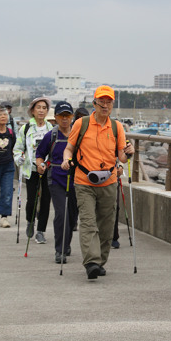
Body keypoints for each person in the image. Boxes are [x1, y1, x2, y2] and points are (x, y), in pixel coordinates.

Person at [61, 85, 133, 280]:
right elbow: (69, 148)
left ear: (113, 105)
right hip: (84, 181)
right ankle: (91, 262)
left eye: (108, 101)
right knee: (88, 222)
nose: (105, 105)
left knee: (107, 225)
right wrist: (66, 160)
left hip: (109, 180)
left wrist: (128, 154)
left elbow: (122, 158)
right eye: (101, 101)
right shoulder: (81, 124)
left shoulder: (117, 127)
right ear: (94, 103)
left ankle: (100, 261)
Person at [35, 101, 78, 264]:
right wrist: (40, 165)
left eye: (68, 115)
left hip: (76, 180)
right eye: (61, 116)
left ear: (72, 117)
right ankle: (59, 250)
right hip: (56, 179)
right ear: (56, 118)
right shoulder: (51, 135)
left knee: (73, 217)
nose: (65, 119)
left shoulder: (78, 135)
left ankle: (66, 244)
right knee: (61, 214)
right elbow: (40, 154)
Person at [13, 96, 52, 244]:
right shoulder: (26, 128)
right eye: (39, 108)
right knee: (32, 200)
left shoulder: (51, 129)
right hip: (31, 169)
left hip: (48, 169)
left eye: (44, 108)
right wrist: (19, 159)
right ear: (33, 110)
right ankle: (30, 221)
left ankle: (41, 231)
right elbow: (17, 149)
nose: (41, 111)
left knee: (46, 200)